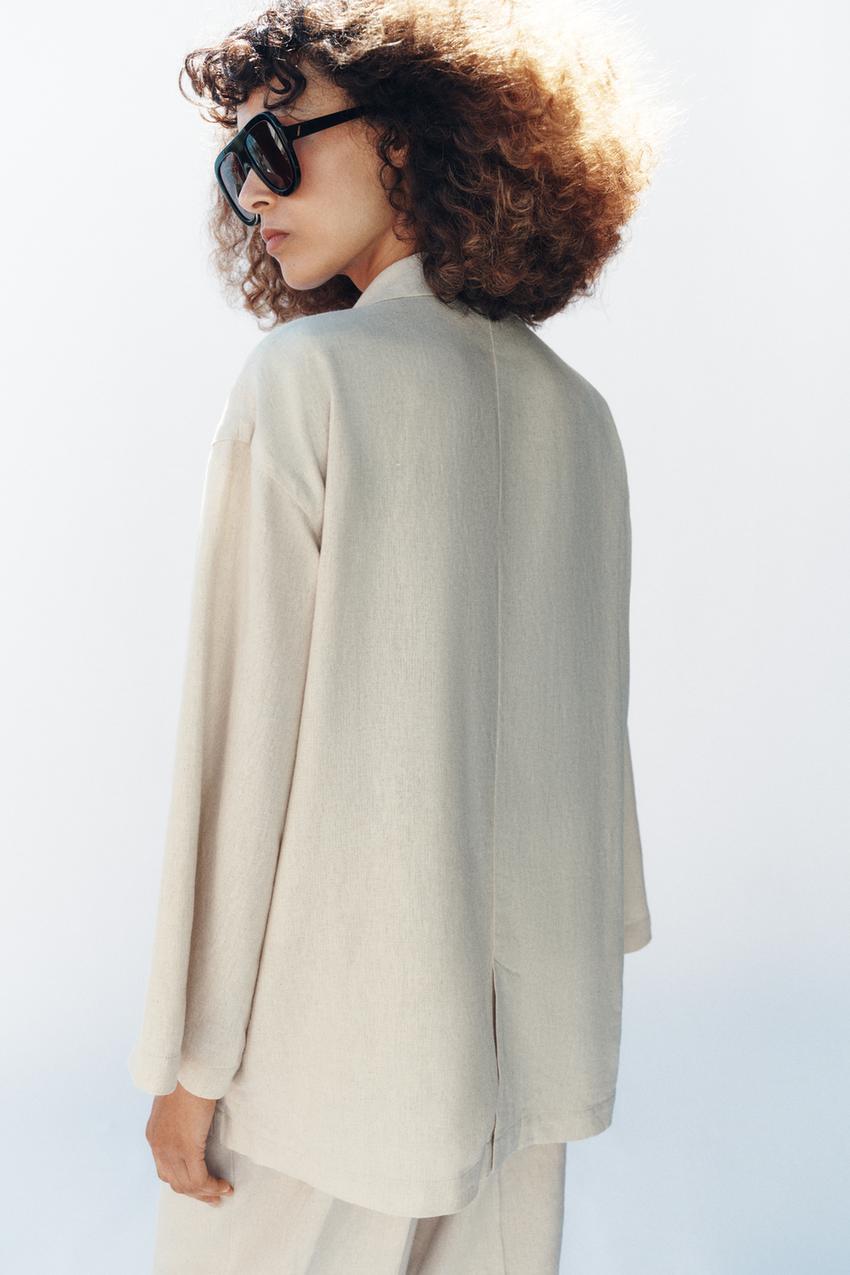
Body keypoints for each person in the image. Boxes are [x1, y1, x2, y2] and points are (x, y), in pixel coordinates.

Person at [128, 1, 669, 1270]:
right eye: (235, 162)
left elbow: (240, 750)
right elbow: (594, 745)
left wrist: (189, 1069)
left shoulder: (310, 381)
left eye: (281, 141)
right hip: (526, 1048)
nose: (252, 190)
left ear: (414, 138)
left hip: (321, 1060)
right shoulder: (577, 415)